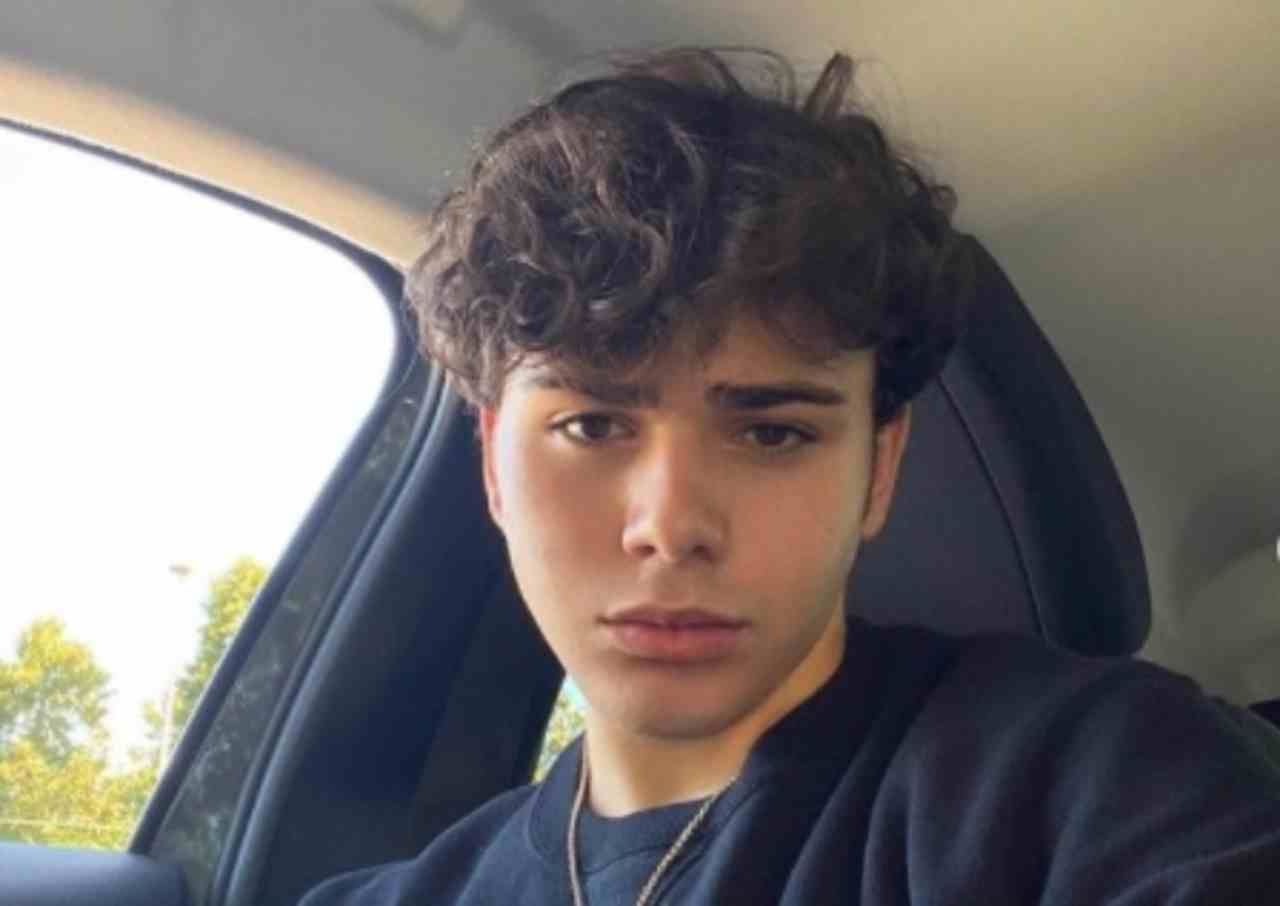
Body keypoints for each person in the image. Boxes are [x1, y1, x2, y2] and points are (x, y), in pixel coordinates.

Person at [300, 47, 1280, 905]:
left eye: (771, 434)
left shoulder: (1110, 783)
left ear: (878, 470)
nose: (669, 525)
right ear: (493, 467)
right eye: (591, 425)